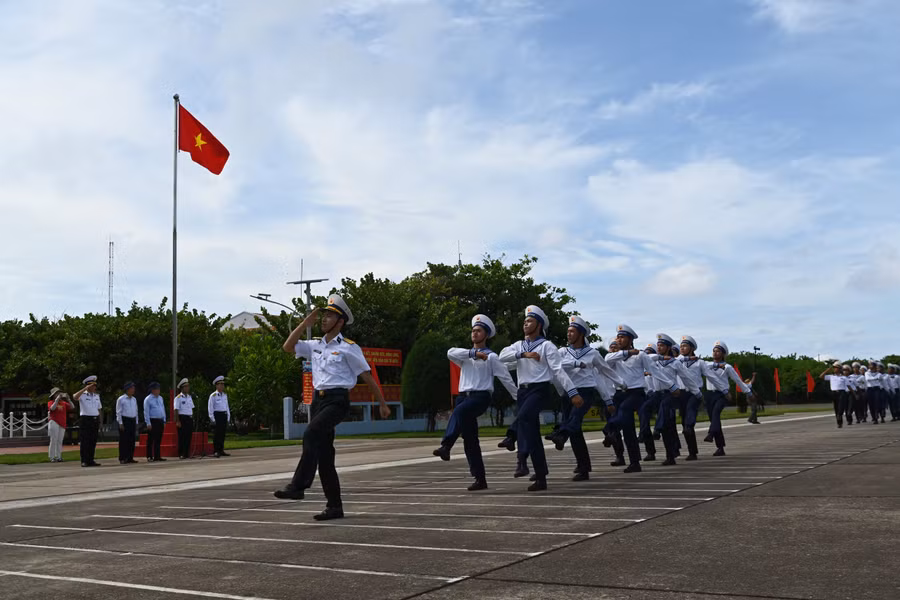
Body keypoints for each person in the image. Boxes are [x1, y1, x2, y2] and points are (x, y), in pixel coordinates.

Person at [274, 295, 391, 521]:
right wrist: (303, 324)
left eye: (330, 316)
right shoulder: (315, 344)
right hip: (318, 402)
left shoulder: (349, 348)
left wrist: (383, 404)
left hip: (337, 400)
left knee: (311, 433)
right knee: (325, 457)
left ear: (341, 322)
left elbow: (367, 376)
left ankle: (298, 486)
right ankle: (335, 506)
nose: (324, 319)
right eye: (324, 315)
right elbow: (288, 346)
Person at [499, 305, 582, 491]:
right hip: (523, 391)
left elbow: (558, 370)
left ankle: (520, 455)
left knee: (525, 417)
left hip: (539, 389)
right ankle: (541, 475)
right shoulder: (518, 346)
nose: (525, 324)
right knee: (532, 433)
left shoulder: (547, 346)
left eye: (530, 321)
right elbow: (501, 356)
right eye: (525, 321)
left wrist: (573, 392)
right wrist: (523, 354)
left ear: (539, 324)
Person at [435, 314, 518, 491]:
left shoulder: (492, 357)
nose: (474, 333)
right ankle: (480, 479)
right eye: (473, 330)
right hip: (463, 396)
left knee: (459, 412)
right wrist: (473, 353)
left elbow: (505, 378)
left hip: (480, 397)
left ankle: (446, 445)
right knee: (470, 440)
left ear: (486, 335)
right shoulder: (465, 355)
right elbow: (450, 352)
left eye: (478, 331)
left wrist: (519, 397)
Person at [546, 315, 622, 481]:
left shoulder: (592, 353)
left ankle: (560, 433)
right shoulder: (562, 352)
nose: (569, 334)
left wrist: (620, 384)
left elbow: (604, 372)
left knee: (575, 419)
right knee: (576, 432)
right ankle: (583, 466)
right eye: (568, 331)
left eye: (572, 331)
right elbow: (555, 367)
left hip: (585, 392)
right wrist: (573, 364)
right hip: (569, 392)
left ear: (581, 334)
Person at [603, 324, 656, 473]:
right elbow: (606, 360)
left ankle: (610, 430)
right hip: (619, 393)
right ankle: (635, 462)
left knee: (625, 411)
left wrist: (670, 387)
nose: (619, 340)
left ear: (630, 339)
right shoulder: (614, 357)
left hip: (636, 393)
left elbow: (654, 370)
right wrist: (626, 353)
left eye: (622, 337)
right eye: (617, 337)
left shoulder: (641, 355)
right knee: (628, 429)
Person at [646, 334, 693, 466]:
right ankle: (670, 454)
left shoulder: (675, 362)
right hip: (657, 394)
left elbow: (687, 378)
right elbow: (647, 356)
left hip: (671, 394)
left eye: (662, 345)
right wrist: (660, 357)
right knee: (667, 426)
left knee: (666, 418)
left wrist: (696, 392)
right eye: (658, 345)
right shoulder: (653, 361)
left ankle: (657, 431)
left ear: (668, 347)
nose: (659, 347)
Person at [698, 341, 752, 456]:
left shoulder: (727, 367)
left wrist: (748, 392)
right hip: (709, 394)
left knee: (716, 413)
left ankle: (711, 434)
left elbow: (737, 380)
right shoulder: (707, 365)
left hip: (722, 395)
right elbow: (698, 364)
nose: (715, 353)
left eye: (718, 351)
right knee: (714, 420)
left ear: (723, 354)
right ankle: (720, 447)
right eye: (714, 351)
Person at [676, 335, 705, 460]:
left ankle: (689, 425)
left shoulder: (699, 363)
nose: (682, 348)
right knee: (685, 424)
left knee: (691, 411)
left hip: (695, 392)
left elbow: (711, 374)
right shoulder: (677, 361)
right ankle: (692, 452)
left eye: (685, 346)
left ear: (692, 348)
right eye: (681, 346)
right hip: (682, 393)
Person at [74, 376, 102, 467]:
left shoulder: (97, 396)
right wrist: (84, 389)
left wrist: (100, 421)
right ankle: (84, 460)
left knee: (92, 441)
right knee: (85, 441)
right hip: (85, 419)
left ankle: (91, 459)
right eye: (92, 385)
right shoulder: (83, 395)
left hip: (94, 419)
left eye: (95, 386)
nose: (94, 387)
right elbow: (75, 397)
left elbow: (99, 409)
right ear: (88, 386)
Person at [819, 362, 853, 428]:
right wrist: (828, 370)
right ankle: (839, 423)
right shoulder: (831, 376)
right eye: (834, 368)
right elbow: (821, 376)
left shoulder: (844, 377)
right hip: (834, 393)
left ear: (840, 369)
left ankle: (840, 419)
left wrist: (854, 394)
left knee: (840, 408)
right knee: (836, 409)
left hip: (842, 393)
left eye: (836, 367)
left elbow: (849, 386)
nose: (835, 369)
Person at [47, 387, 73, 462]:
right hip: (54, 421)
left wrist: (68, 399)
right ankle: (52, 457)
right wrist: (57, 400)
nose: (58, 394)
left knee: (60, 440)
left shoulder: (63, 403)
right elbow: (52, 408)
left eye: (59, 393)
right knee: (53, 440)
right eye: (56, 393)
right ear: (53, 395)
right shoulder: (51, 402)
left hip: (62, 423)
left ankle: (58, 456)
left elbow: (72, 407)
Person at [115, 382, 139, 464]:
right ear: (127, 389)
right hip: (125, 420)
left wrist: (136, 422)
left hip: (132, 419)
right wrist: (120, 423)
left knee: (131, 440)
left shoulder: (134, 399)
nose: (133, 390)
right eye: (132, 388)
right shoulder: (121, 399)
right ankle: (122, 457)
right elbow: (118, 412)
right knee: (124, 440)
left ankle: (130, 457)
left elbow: (136, 411)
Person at [143, 382, 167, 462]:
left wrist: (164, 420)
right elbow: (146, 412)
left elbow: (163, 409)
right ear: (152, 390)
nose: (158, 391)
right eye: (157, 389)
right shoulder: (148, 399)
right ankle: (149, 456)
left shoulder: (160, 398)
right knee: (151, 439)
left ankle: (157, 456)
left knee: (158, 439)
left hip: (160, 420)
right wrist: (148, 423)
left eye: (159, 389)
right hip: (153, 420)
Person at [209, 376, 231, 457]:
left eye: (223, 384)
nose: (222, 386)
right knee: (216, 434)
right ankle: (216, 450)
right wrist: (212, 419)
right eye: (220, 384)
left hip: (223, 415)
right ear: (216, 385)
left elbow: (227, 407)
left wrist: (228, 417)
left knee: (222, 434)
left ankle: (221, 450)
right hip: (217, 415)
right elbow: (210, 408)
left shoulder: (225, 395)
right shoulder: (213, 396)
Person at [174, 378, 195, 459]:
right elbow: (176, 409)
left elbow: (191, 408)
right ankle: (181, 453)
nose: (187, 388)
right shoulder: (178, 398)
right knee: (182, 437)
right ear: (182, 388)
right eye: (186, 386)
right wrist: (177, 421)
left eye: (188, 386)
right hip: (182, 418)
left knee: (188, 436)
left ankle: (187, 453)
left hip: (189, 418)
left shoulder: (189, 397)